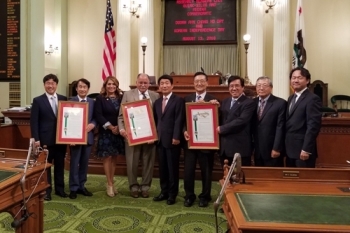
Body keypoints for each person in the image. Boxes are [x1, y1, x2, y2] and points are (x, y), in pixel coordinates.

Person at [118, 73, 160, 198]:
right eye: (140, 82)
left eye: (145, 83)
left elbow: (158, 118)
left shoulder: (155, 96)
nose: (142, 85)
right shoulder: (127, 94)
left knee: (148, 163)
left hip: (149, 137)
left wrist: (154, 134)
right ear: (136, 83)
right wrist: (121, 130)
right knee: (132, 163)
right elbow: (121, 116)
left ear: (149, 84)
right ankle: (134, 187)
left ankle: (145, 187)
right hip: (131, 136)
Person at [183, 72, 219, 208]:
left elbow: (217, 120)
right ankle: (189, 196)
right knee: (188, 171)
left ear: (207, 83)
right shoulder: (187, 98)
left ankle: (205, 196)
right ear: (193, 84)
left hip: (206, 144)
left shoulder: (214, 100)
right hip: (190, 143)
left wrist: (215, 107)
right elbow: (183, 120)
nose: (199, 83)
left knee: (206, 172)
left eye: (202, 81)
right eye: (196, 81)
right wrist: (184, 131)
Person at [30, 74, 68, 201]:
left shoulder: (63, 99)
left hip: (61, 139)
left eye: (53, 83)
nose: (50, 86)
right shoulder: (38, 100)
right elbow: (34, 122)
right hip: (45, 139)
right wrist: (36, 139)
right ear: (44, 85)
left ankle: (60, 189)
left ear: (56, 85)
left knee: (60, 165)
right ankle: (47, 191)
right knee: (46, 167)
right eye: (48, 83)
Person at [153, 74, 184, 205]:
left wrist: (176, 136)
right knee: (163, 169)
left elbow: (179, 120)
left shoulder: (178, 100)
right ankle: (163, 191)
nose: (164, 86)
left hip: (173, 140)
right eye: (162, 83)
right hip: (160, 140)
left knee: (172, 169)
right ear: (159, 86)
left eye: (167, 83)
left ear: (172, 85)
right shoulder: (157, 102)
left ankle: (172, 194)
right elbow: (155, 120)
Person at [94, 76, 125, 197]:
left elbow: (125, 113)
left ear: (117, 86)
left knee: (114, 158)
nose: (111, 86)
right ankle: (109, 183)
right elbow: (98, 115)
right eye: (109, 84)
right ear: (105, 85)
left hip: (118, 131)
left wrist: (119, 127)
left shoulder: (121, 98)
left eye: (113, 84)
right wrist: (111, 127)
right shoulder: (100, 98)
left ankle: (112, 181)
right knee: (107, 157)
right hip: (106, 132)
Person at [286, 67, 322, 168]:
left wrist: (306, 149)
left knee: (304, 182)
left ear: (307, 80)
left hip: (303, 151)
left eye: (299, 78)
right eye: (293, 78)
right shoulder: (291, 98)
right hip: (289, 150)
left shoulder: (312, 98)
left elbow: (313, 126)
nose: (296, 80)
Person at [217, 75, 255, 166]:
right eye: (231, 86)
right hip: (225, 148)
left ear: (242, 87)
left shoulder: (249, 103)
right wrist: (214, 108)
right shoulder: (225, 101)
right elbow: (221, 118)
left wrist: (222, 129)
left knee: (240, 178)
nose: (234, 88)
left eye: (237, 86)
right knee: (226, 177)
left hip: (240, 148)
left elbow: (241, 121)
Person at [68, 78, 96, 199]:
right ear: (76, 88)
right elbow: (66, 120)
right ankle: (73, 188)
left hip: (88, 137)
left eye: (85, 87)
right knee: (74, 163)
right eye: (80, 87)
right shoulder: (70, 101)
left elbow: (96, 117)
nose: (82, 89)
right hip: (74, 139)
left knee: (84, 163)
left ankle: (81, 186)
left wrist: (93, 124)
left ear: (88, 89)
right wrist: (69, 138)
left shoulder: (92, 102)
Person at [252, 76, 287, 167]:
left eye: (264, 85)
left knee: (274, 178)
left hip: (272, 149)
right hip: (257, 149)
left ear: (271, 88)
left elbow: (280, 127)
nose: (261, 88)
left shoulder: (280, 103)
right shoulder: (252, 102)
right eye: (258, 85)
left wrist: (276, 148)